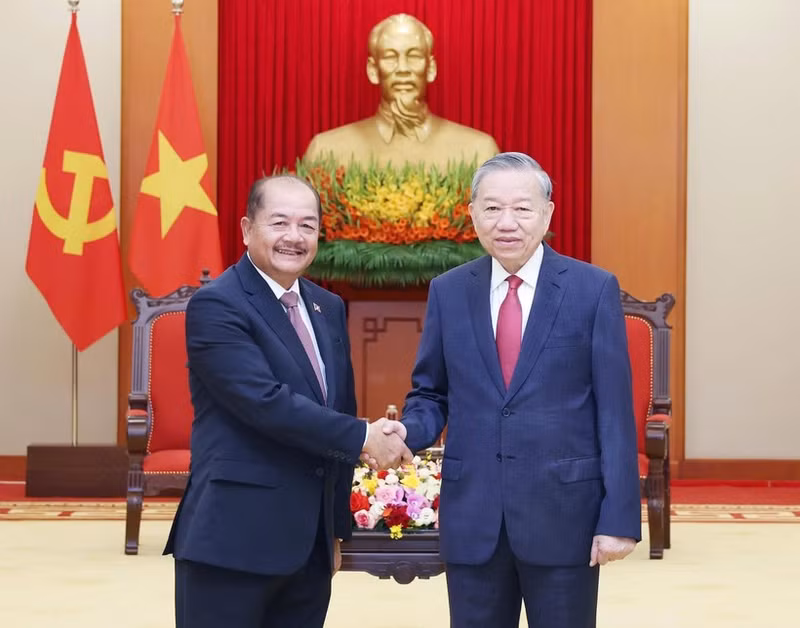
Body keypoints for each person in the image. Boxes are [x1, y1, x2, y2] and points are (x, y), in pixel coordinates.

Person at [392, 153, 641, 627]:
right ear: (472, 214)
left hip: (564, 514)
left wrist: (619, 519)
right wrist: (405, 432)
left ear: (547, 213)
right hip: (474, 516)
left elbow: (614, 412)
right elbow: (431, 393)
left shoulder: (591, 289)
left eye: (522, 209)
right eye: (492, 208)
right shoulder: (449, 290)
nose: (506, 222)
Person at [164, 175, 412, 628]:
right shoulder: (218, 305)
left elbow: (336, 406)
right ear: (246, 229)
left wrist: (335, 527)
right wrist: (365, 435)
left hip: (308, 548)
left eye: (308, 225)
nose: (294, 237)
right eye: (279, 223)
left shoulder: (328, 306)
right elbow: (265, 402)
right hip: (233, 542)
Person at [304, 13, 499, 168]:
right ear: (373, 70)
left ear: (430, 68)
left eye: (414, 56)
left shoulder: (479, 151)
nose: (403, 68)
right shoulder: (327, 151)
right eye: (390, 57)